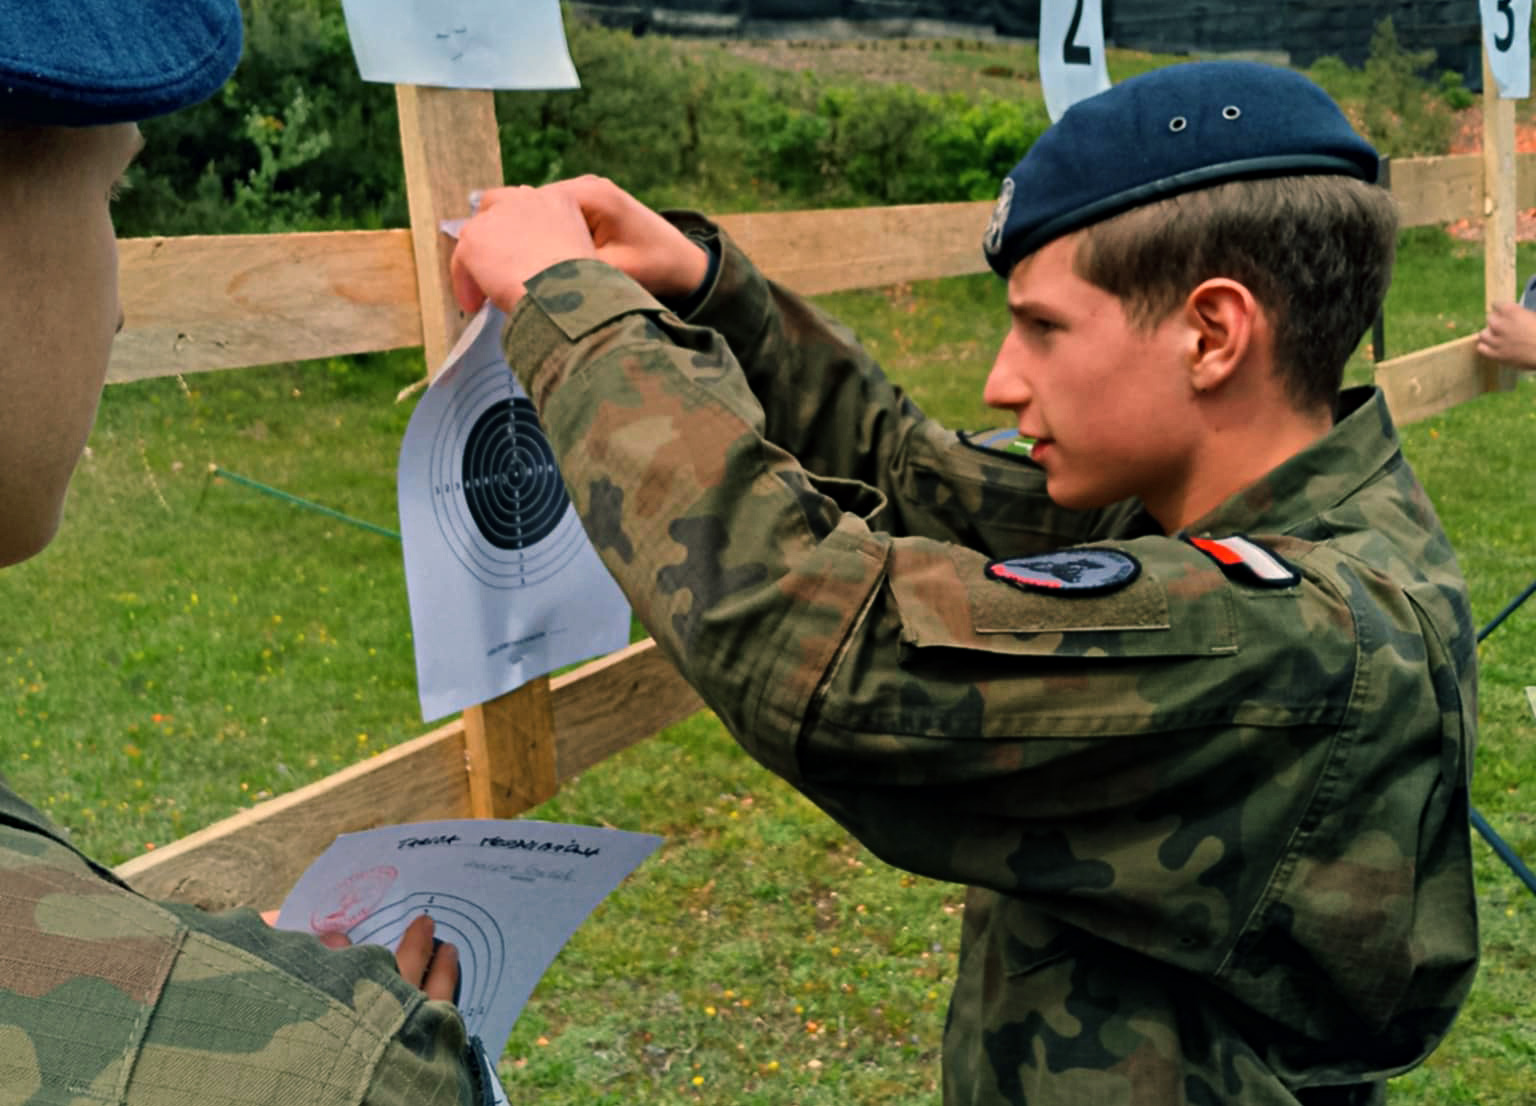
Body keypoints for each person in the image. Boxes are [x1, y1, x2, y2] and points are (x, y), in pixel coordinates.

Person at [450, 61, 1480, 1104]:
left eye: (1044, 327)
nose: (1001, 379)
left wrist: (568, 308)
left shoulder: (1298, 633)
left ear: (1211, 333)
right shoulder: (1226, 506)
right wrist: (711, 291)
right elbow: (911, 476)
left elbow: (826, 654)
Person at [0, 4, 492, 1103]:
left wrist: (167, 964)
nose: (118, 305)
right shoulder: (346, 1073)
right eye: (109, 197)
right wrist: (292, 1037)